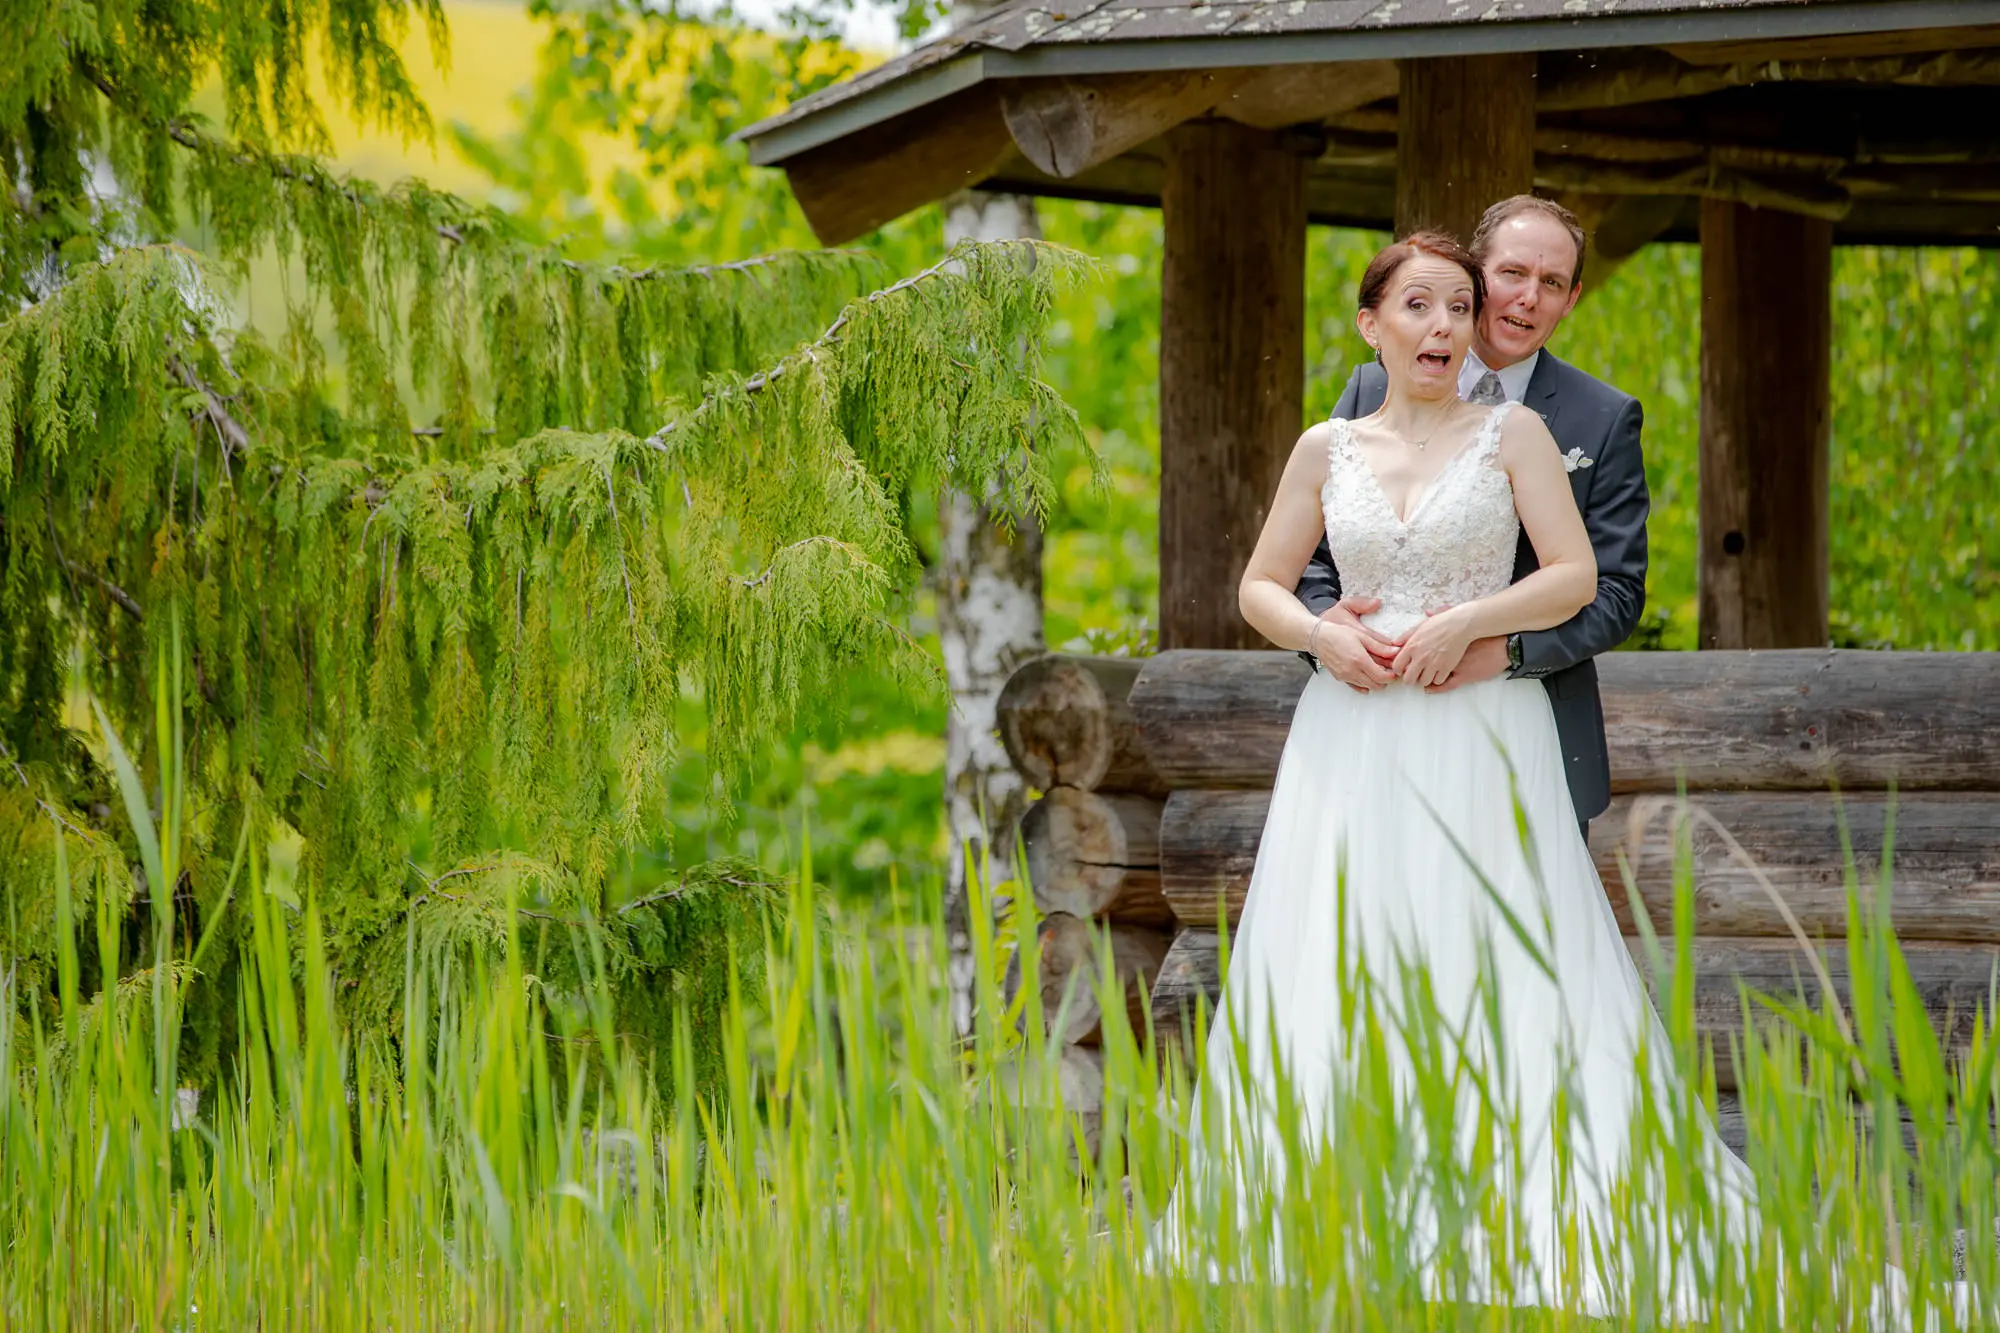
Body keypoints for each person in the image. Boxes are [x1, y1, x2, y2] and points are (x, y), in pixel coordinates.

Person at [1143, 229, 1754, 1315]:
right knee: (1344, 947)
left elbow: (1574, 577)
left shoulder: (1514, 435)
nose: (1442, 326)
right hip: (1353, 729)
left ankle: (1526, 1210)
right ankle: (1331, 1209)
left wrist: (1473, 621)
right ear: (1370, 322)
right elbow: (1260, 586)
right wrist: (1320, 636)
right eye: (1417, 306)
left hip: (1481, 725)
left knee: (1497, 952)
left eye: (1456, 308)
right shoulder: (1322, 445)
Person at [1296, 196, 1646, 844]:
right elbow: (1314, 556)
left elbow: (1618, 592)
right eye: (1512, 274)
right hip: (1376, 722)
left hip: (1526, 721)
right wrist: (1325, 628)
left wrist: (1505, 652)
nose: (1528, 299)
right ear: (1476, 275)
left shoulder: (1601, 417)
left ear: (1571, 299)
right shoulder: (1370, 390)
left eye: (1551, 284)